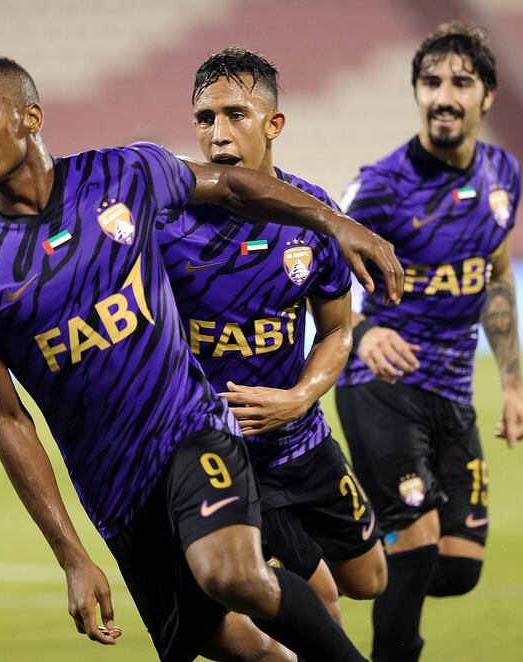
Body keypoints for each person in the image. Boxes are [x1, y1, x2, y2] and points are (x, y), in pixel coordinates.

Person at [0, 54, 401, 662]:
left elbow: (230, 186)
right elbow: (5, 417)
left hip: (190, 430)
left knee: (235, 575)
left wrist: (335, 225)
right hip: (115, 490)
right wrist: (71, 554)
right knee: (240, 647)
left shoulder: (124, 174)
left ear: (29, 117)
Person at [156, 47, 387, 625]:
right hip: (225, 453)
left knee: (369, 579)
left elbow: (337, 329)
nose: (218, 132)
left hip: (301, 437)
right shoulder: (165, 219)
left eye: (236, 114)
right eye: (206, 119)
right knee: (318, 606)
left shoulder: (311, 214)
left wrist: (299, 398)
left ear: (273, 124)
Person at [334, 21, 523, 662]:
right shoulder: (383, 188)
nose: (443, 95)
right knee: (418, 543)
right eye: (430, 82)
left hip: (452, 393)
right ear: (416, 93)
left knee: (457, 567)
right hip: (381, 387)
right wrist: (361, 332)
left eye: (460, 81)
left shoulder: (503, 175)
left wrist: (511, 383)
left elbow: (497, 278)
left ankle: (332, 543)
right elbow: (310, 269)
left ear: (488, 96)